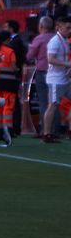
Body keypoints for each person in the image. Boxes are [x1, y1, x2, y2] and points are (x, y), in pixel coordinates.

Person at [25, 14, 55, 139]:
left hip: (43, 71)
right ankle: (55, 130)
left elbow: (30, 56)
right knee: (54, 102)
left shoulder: (39, 39)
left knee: (44, 102)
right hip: (56, 72)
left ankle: (45, 130)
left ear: (41, 26)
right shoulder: (56, 38)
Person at [44, 14, 71, 143]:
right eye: (68, 28)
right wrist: (68, 65)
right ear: (58, 27)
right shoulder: (55, 41)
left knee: (54, 105)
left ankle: (69, 129)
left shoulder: (64, 40)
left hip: (64, 78)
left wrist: (68, 67)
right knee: (52, 105)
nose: (69, 30)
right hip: (56, 79)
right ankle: (46, 134)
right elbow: (50, 59)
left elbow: (62, 59)